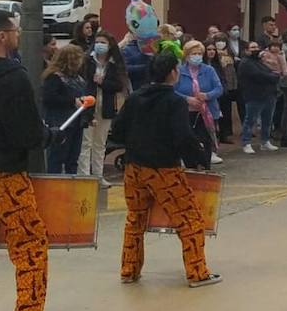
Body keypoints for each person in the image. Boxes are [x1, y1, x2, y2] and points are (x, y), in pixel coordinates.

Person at [0, 9, 71, 311]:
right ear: (1, 37)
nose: (18, 34)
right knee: (31, 246)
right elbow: (27, 133)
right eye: (14, 30)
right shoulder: (13, 77)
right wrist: (50, 136)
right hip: (4, 176)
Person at [110, 52, 221, 288]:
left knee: (135, 219)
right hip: (164, 170)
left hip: (134, 168)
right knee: (189, 218)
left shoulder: (135, 97)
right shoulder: (174, 102)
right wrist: (199, 158)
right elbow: (183, 137)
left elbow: (118, 130)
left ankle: (129, 270)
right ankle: (197, 271)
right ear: (172, 73)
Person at [78, 31, 126, 188]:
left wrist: (103, 82)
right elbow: (81, 81)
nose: (100, 45)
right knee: (86, 143)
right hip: (87, 106)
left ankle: (98, 176)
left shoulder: (115, 63)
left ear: (110, 45)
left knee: (100, 143)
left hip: (106, 107)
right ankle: (84, 176)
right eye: (97, 42)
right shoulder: (87, 61)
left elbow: (119, 85)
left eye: (103, 42)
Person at [174, 40, 224, 168]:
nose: (197, 56)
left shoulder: (209, 70)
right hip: (186, 112)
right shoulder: (179, 71)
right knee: (188, 140)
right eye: (193, 53)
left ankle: (206, 166)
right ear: (186, 55)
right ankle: (190, 166)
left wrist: (207, 95)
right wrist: (187, 99)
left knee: (205, 140)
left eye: (199, 53)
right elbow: (173, 90)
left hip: (206, 112)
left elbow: (219, 88)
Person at [41, 45, 88, 174]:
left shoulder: (78, 78)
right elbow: (49, 98)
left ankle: (71, 182)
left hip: (77, 122)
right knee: (57, 157)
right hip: (61, 123)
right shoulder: (54, 77)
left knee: (73, 158)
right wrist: (72, 101)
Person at [236, 40, 281, 155]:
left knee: (267, 120)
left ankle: (265, 141)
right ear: (246, 50)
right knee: (250, 120)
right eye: (252, 48)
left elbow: (271, 71)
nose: (255, 50)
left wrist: (273, 74)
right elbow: (260, 75)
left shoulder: (259, 61)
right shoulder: (246, 63)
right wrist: (273, 76)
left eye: (257, 47)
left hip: (268, 94)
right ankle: (246, 142)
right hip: (254, 96)